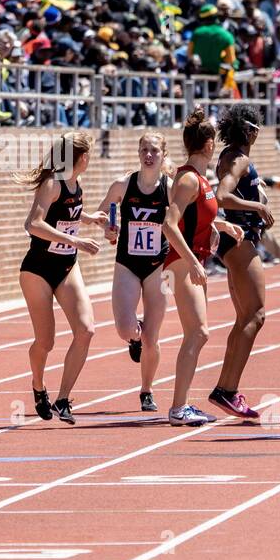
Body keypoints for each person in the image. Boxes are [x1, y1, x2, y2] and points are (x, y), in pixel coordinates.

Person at [19, 132, 108, 425]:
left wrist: (89, 218)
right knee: (45, 342)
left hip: (67, 267)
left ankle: (63, 398)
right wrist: (77, 242)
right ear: (81, 158)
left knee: (86, 330)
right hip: (38, 269)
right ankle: (38, 384)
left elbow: (66, 213)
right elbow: (33, 223)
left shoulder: (75, 183)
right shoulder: (52, 183)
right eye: (89, 155)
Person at [160, 110, 243, 426]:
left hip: (193, 260)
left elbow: (191, 217)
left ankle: (181, 405)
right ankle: (179, 408)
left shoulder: (198, 179)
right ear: (209, 145)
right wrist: (193, 262)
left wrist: (221, 223)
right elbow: (170, 224)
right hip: (183, 262)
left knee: (197, 333)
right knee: (198, 332)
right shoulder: (188, 179)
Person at [96, 133, 170, 414]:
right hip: (127, 263)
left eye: (154, 150)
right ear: (138, 153)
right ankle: (134, 338)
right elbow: (102, 213)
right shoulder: (123, 185)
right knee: (125, 329)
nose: (148, 155)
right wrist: (108, 228)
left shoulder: (169, 187)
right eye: (144, 150)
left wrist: (216, 227)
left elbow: (187, 217)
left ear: (163, 154)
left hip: (158, 266)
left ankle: (147, 391)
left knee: (153, 336)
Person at [212, 105, 273, 419]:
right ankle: (228, 390)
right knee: (256, 315)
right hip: (240, 240)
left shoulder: (228, 154)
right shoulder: (239, 158)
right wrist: (258, 208)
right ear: (251, 132)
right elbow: (222, 196)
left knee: (245, 318)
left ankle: (226, 388)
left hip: (237, 240)